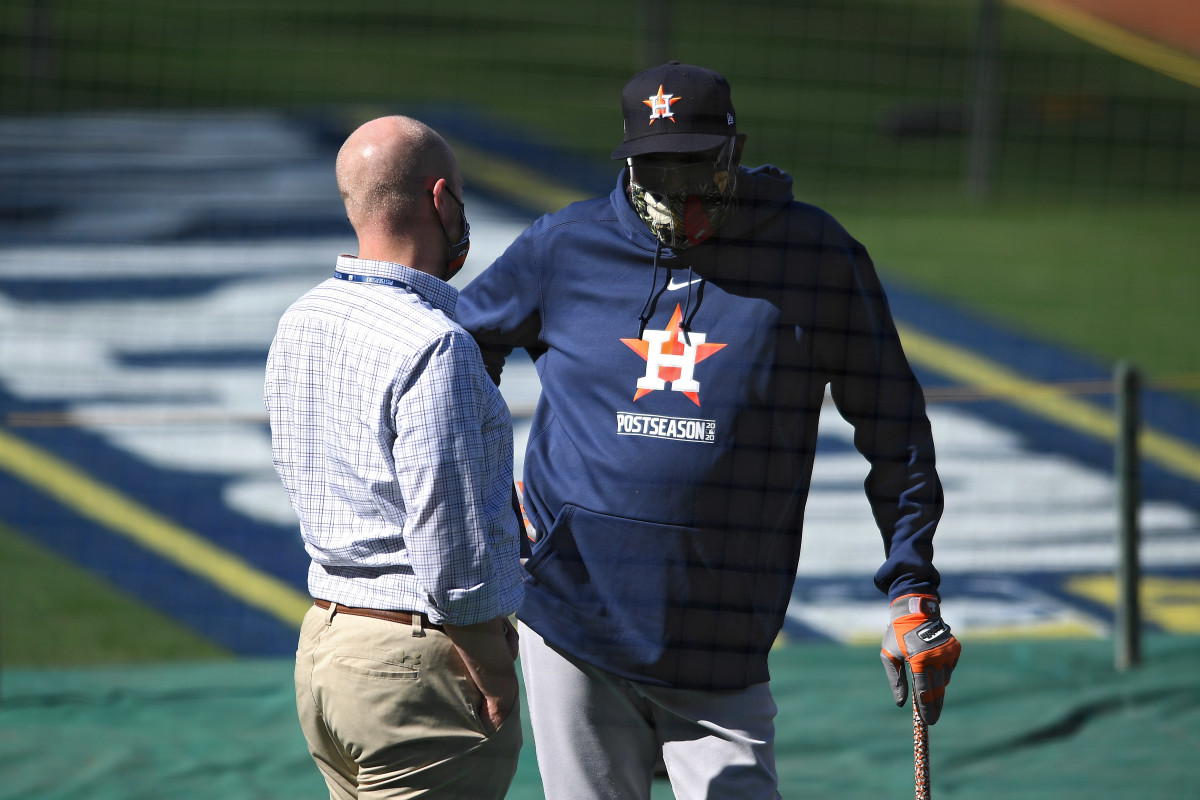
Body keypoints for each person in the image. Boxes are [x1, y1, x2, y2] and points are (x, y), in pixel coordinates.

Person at [457, 62, 961, 799]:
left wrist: (911, 586)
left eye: (696, 165)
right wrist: (491, 510)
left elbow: (896, 427)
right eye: (657, 168)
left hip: (722, 641)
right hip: (570, 619)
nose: (680, 188)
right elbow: (460, 355)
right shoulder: (563, 247)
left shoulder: (814, 255)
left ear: (734, 151)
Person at [264, 115, 524, 800]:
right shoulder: (437, 346)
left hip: (324, 645)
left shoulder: (302, 317)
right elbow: (452, 554)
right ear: (442, 200)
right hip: (418, 664)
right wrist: (494, 672)